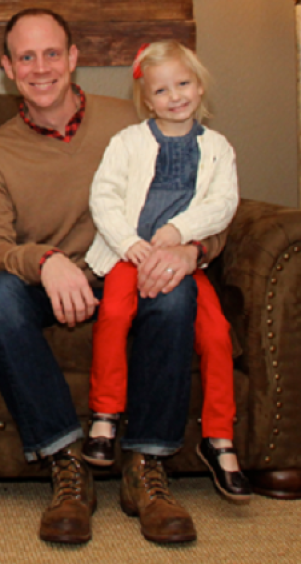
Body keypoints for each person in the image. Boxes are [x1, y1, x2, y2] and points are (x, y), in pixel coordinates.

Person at [0, 9, 226, 544]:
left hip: (132, 274)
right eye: (26, 57)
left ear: (72, 59)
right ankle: (68, 466)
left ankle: (147, 468)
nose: (40, 68)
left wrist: (192, 249)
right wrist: (45, 260)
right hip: (51, 285)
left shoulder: (136, 125)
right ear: (8, 68)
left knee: (176, 295)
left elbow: (213, 203)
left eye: (51, 54)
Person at [83, 40, 251, 503]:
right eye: (161, 90)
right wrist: (131, 244)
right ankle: (106, 414)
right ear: (147, 99)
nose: (174, 96)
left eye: (183, 84)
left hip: (182, 262)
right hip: (129, 256)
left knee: (217, 335)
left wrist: (179, 231)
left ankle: (219, 439)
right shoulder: (128, 142)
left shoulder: (217, 148)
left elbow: (222, 204)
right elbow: (105, 197)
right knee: (113, 316)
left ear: (199, 87)